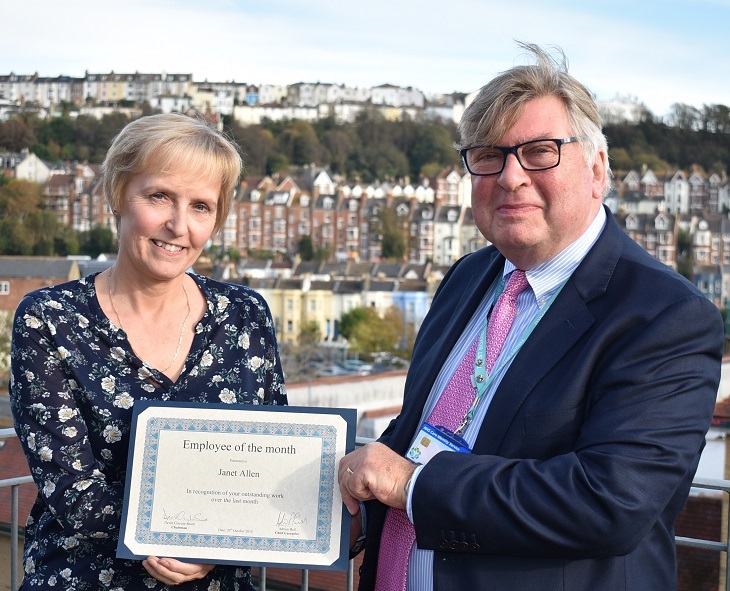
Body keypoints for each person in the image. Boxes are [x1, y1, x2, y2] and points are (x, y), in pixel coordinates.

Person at [338, 43, 724, 591]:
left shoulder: (666, 315)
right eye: (489, 156)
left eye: (540, 151)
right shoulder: (468, 277)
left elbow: (608, 501)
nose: (511, 176)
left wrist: (411, 485)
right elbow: (419, 429)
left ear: (597, 169)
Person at [10, 113, 287, 590]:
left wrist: (213, 546)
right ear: (118, 193)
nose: (179, 225)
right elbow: (72, 493)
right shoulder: (49, 319)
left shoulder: (245, 315)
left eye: (201, 206)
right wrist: (193, 535)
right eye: (160, 196)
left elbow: (270, 458)